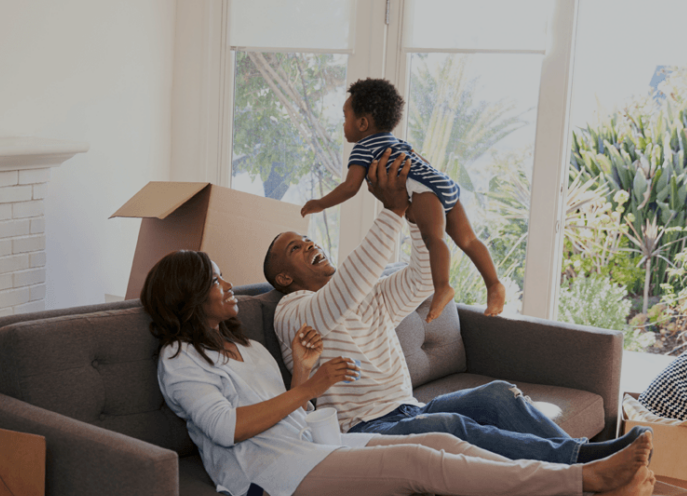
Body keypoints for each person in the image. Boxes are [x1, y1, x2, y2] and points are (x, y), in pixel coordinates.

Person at [141, 248, 656, 496]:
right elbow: (230, 428)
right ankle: (579, 477)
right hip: (270, 474)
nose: (227, 284)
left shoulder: (246, 347)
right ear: (187, 296)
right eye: (214, 278)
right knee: (418, 462)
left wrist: (302, 373)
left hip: (309, 447)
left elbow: (291, 413)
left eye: (224, 272)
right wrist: (311, 387)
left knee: (446, 445)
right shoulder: (180, 361)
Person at [270, 147, 651, 465]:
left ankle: (587, 456)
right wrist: (391, 211)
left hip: (409, 409)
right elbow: (342, 296)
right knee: (453, 426)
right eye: (296, 248)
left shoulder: (367, 294)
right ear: (284, 277)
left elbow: (420, 280)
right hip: (364, 429)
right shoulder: (292, 311)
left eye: (309, 239)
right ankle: (584, 463)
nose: (311, 245)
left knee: (499, 393)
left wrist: (419, 218)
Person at [300, 78, 504, 320]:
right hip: (442, 181)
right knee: (469, 240)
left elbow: (350, 187)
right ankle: (493, 284)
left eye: (345, 117)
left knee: (434, 238)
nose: (343, 124)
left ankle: (442, 287)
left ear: (363, 123)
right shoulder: (398, 142)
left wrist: (320, 203)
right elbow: (423, 162)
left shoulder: (363, 148)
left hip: (422, 188)